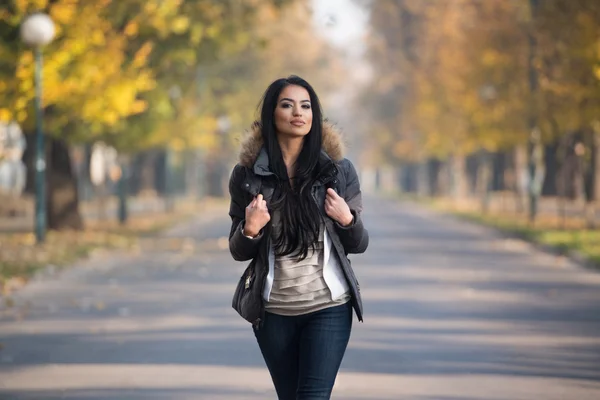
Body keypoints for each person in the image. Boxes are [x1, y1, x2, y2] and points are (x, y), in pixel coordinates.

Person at [227, 75, 369, 400]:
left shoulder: (337, 170)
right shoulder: (247, 176)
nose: (298, 113)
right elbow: (237, 250)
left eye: (306, 106)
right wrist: (250, 229)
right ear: (271, 114)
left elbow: (359, 244)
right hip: (273, 311)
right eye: (287, 105)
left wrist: (347, 219)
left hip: (329, 306)